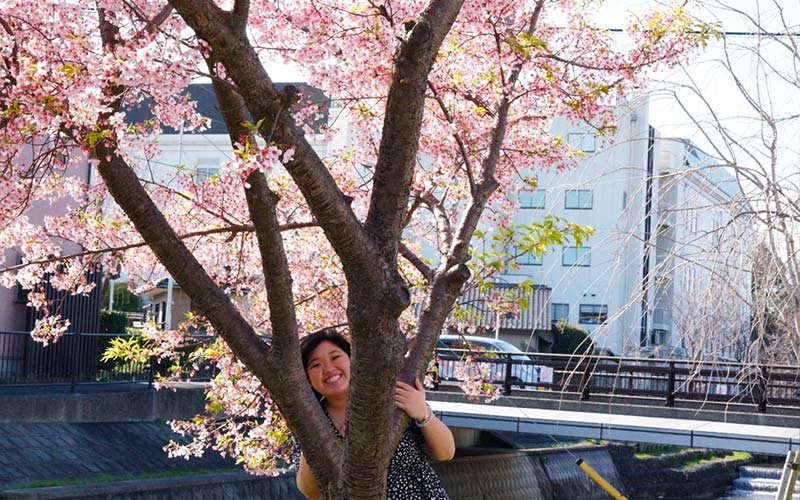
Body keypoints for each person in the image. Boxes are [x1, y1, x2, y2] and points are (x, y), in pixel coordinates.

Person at [296, 329, 455, 499]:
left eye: (335, 357)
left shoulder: (390, 397)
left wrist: (423, 412)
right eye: (315, 365)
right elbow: (311, 491)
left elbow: (445, 453)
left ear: (353, 360)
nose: (328, 368)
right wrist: (312, 435)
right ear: (307, 378)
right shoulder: (310, 419)